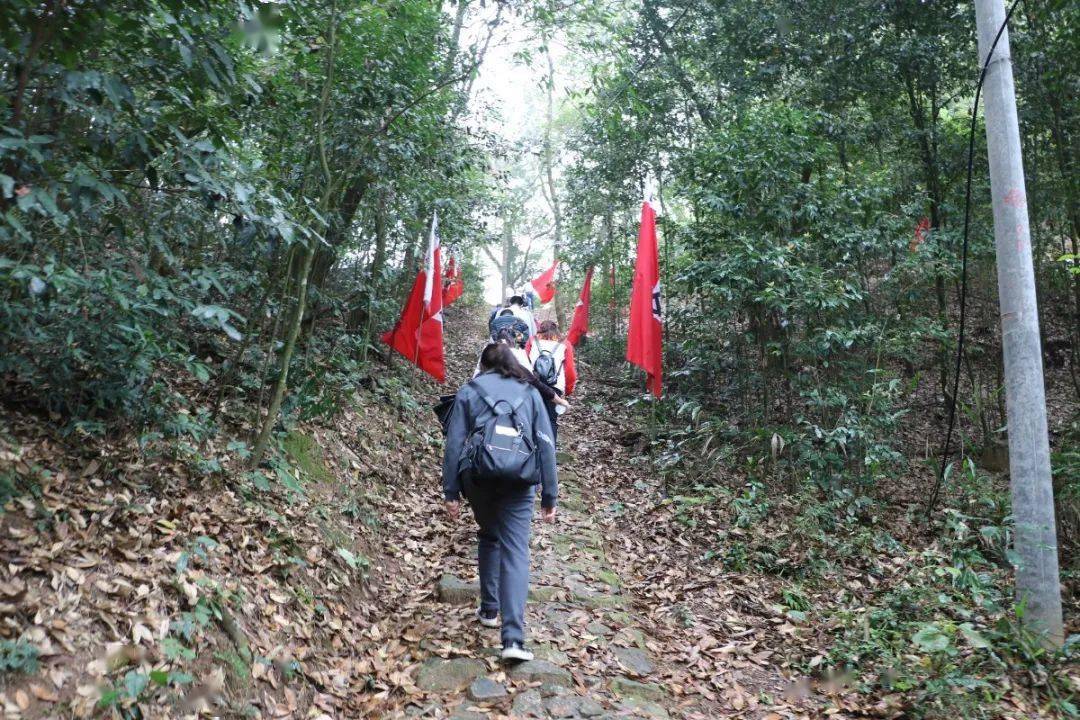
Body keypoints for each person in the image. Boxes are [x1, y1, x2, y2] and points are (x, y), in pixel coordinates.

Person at [443, 343, 558, 662]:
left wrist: (450, 491)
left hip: (477, 478)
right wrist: (550, 493)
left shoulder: (470, 391)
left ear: (483, 365)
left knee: (490, 534)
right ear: (512, 363)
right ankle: (513, 640)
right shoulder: (531, 393)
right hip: (520, 478)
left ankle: (489, 608)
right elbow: (546, 445)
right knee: (516, 549)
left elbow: (454, 444)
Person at [527, 320, 577, 444]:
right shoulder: (565, 344)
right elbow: (570, 371)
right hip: (555, 387)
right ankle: (549, 454)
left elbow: (524, 362)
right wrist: (568, 390)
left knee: (530, 418)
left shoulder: (532, 340)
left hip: (532, 385)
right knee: (551, 420)